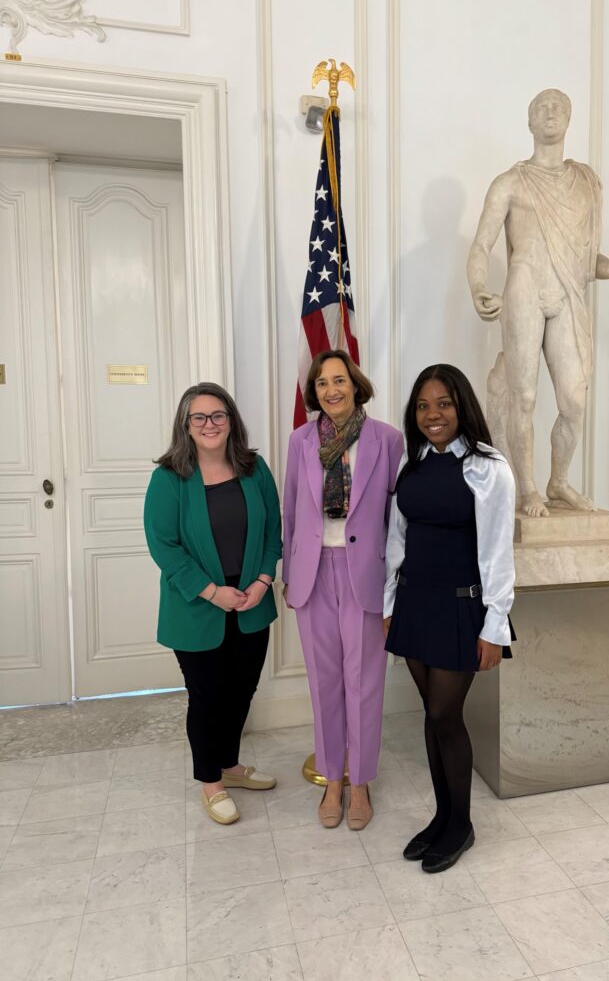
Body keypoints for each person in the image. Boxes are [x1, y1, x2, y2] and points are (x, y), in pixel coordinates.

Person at [466, 88, 609, 517]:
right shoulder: (510, 182)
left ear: (569, 119)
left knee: (573, 400)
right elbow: (481, 246)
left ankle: (558, 480)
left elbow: (582, 258)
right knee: (523, 398)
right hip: (524, 288)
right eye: (541, 107)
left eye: (558, 107)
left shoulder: (585, 182)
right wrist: (478, 287)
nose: (550, 112)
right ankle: (526, 489)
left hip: (567, 294)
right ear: (529, 121)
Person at [384, 364, 515, 873]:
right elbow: (397, 539)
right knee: (431, 715)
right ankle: (442, 817)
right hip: (415, 604)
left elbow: (500, 551)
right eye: (422, 406)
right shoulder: (410, 465)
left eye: (442, 403)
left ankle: (461, 825)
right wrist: (390, 604)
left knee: (445, 715)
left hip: (463, 607)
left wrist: (494, 626)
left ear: (462, 407)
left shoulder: (489, 468)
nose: (432, 414)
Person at [144, 382, 282, 825]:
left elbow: (272, 533)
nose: (209, 424)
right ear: (186, 425)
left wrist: (262, 582)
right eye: (199, 417)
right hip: (197, 605)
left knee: (242, 690)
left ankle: (230, 765)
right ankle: (212, 782)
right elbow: (164, 547)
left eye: (218, 415)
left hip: (251, 601)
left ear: (231, 421)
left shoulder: (254, 468)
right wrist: (211, 591)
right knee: (206, 697)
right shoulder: (168, 477)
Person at [283, 350, 404, 830]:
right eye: (321, 384)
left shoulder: (387, 440)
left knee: (364, 683)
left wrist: (398, 579)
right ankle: (333, 779)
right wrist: (290, 570)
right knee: (324, 683)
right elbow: (292, 509)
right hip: (313, 574)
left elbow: (398, 517)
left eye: (339, 380)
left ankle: (361, 782)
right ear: (314, 393)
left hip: (366, 575)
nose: (330, 390)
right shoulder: (300, 441)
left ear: (356, 385)